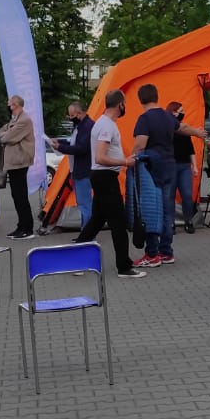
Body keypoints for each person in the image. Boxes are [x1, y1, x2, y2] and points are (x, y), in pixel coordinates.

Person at [73, 89, 145, 278]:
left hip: (102, 177)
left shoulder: (104, 123)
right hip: (105, 178)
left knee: (96, 221)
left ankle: (74, 259)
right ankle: (124, 267)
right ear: (120, 104)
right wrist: (125, 162)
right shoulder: (106, 126)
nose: (125, 106)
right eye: (125, 103)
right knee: (118, 223)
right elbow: (100, 157)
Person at [131, 84, 179, 267]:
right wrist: (197, 132)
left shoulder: (144, 119)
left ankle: (152, 253)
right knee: (167, 211)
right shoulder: (168, 116)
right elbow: (181, 127)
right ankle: (166, 251)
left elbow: (140, 144)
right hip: (170, 165)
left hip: (152, 168)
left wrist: (130, 159)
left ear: (140, 99)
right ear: (156, 96)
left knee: (151, 209)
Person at [0, 95, 37, 240]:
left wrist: (4, 135)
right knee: (16, 195)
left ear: (15, 105)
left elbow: (7, 137)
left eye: (9, 104)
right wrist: (4, 134)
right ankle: (21, 226)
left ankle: (27, 228)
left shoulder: (24, 120)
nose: (8, 107)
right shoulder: (14, 120)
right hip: (13, 163)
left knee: (21, 196)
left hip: (20, 162)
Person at [53, 102, 95, 230]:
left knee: (85, 204)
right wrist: (59, 142)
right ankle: (85, 231)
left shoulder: (87, 126)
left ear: (79, 113)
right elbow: (73, 142)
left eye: (72, 115)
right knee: (82, 203)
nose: (70, 118)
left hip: (84, 170)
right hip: (78, 170)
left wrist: (60, 147)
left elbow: (81, 148)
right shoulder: (79, 126)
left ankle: (87, 233)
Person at [167, 101, 207, 233]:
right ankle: (170, 223)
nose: (183, 113)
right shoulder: (167, 128)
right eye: (181, 111)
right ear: (173, 112)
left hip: (184, 165)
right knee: (170, 195)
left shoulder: (185, 129)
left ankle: (188, 221)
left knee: (187, 194)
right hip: (170, 166)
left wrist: (194, 166)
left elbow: (191, 149)